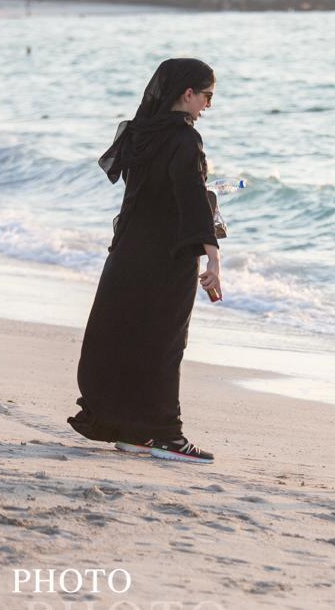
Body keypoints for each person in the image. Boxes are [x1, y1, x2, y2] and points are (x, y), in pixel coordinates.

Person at [68, 58, 222, 465]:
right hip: (167, 257)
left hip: (128, 254)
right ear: (187, 94)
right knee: (166, 343)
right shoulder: (186, 140)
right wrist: (213, 258)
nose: (208, 105)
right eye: (207, 96)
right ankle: (166, 435)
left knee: (130, 338)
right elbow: (189, 199)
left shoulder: (140, 133)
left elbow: (151, 193)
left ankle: (133, 430)